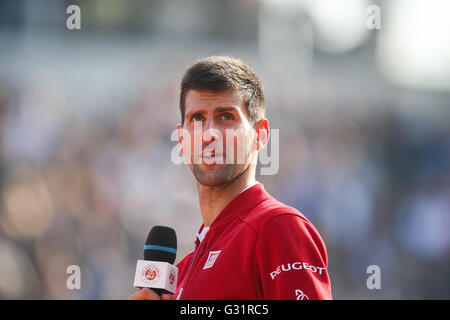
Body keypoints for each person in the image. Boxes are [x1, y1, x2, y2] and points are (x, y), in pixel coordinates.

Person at [129, 56, 332, 300]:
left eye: (226, 117)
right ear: (181, 141)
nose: (209, 133)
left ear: (261, 134)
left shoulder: (278, 226)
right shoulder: (183, 270)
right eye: (197, 118)